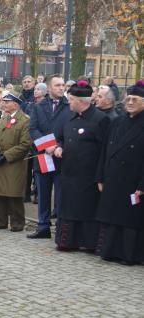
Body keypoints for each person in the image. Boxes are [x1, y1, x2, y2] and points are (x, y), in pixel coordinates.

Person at [52, 80, 109, 251]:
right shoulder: (70, 118)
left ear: (80, 101)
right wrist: (60, 147)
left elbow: (105, 150)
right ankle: (67, 241)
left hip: (88, 176)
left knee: (85, 209)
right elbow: (61, 137)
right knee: (68, 208)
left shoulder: (101, 119)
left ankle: (87, 242)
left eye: (70, 99)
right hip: (69, 173)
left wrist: (100, 176)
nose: (68, 102)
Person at [95, 80, 144, 265]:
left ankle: (129, 255)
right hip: (113, 178)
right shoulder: (117, 121)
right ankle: (110, 251)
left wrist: (142, 185)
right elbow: (105, 151)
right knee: (112, 216)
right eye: (128, 98)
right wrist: (100, 175)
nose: (130, 102)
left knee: (129, 220)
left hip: (134, 180)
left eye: (135, 99)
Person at [28, 74, 72, 239]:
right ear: (49, 87)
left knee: (61, 194)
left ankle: (61, 228)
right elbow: (33, 129)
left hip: (62, 156)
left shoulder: (69, 106)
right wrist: (47, 146)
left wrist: (58, 146)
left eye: (63, 85)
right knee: (43, 192)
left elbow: (71, 131)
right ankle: (43, 226)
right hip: (43, 156)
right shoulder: (38, 106)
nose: (62, 88)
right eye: (58, 85)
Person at [0, 92, 31, 232]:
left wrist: (6, 155)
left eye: (7, 102)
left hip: (15, 162)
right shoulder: (3, 118)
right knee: (0, 192)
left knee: (14, 193)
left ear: (16, 104)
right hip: (0, 161)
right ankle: (0, 221)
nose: (4, 104)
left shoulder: (25, 120)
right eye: (4, 101)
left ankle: (17, 223)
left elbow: (25, 144)